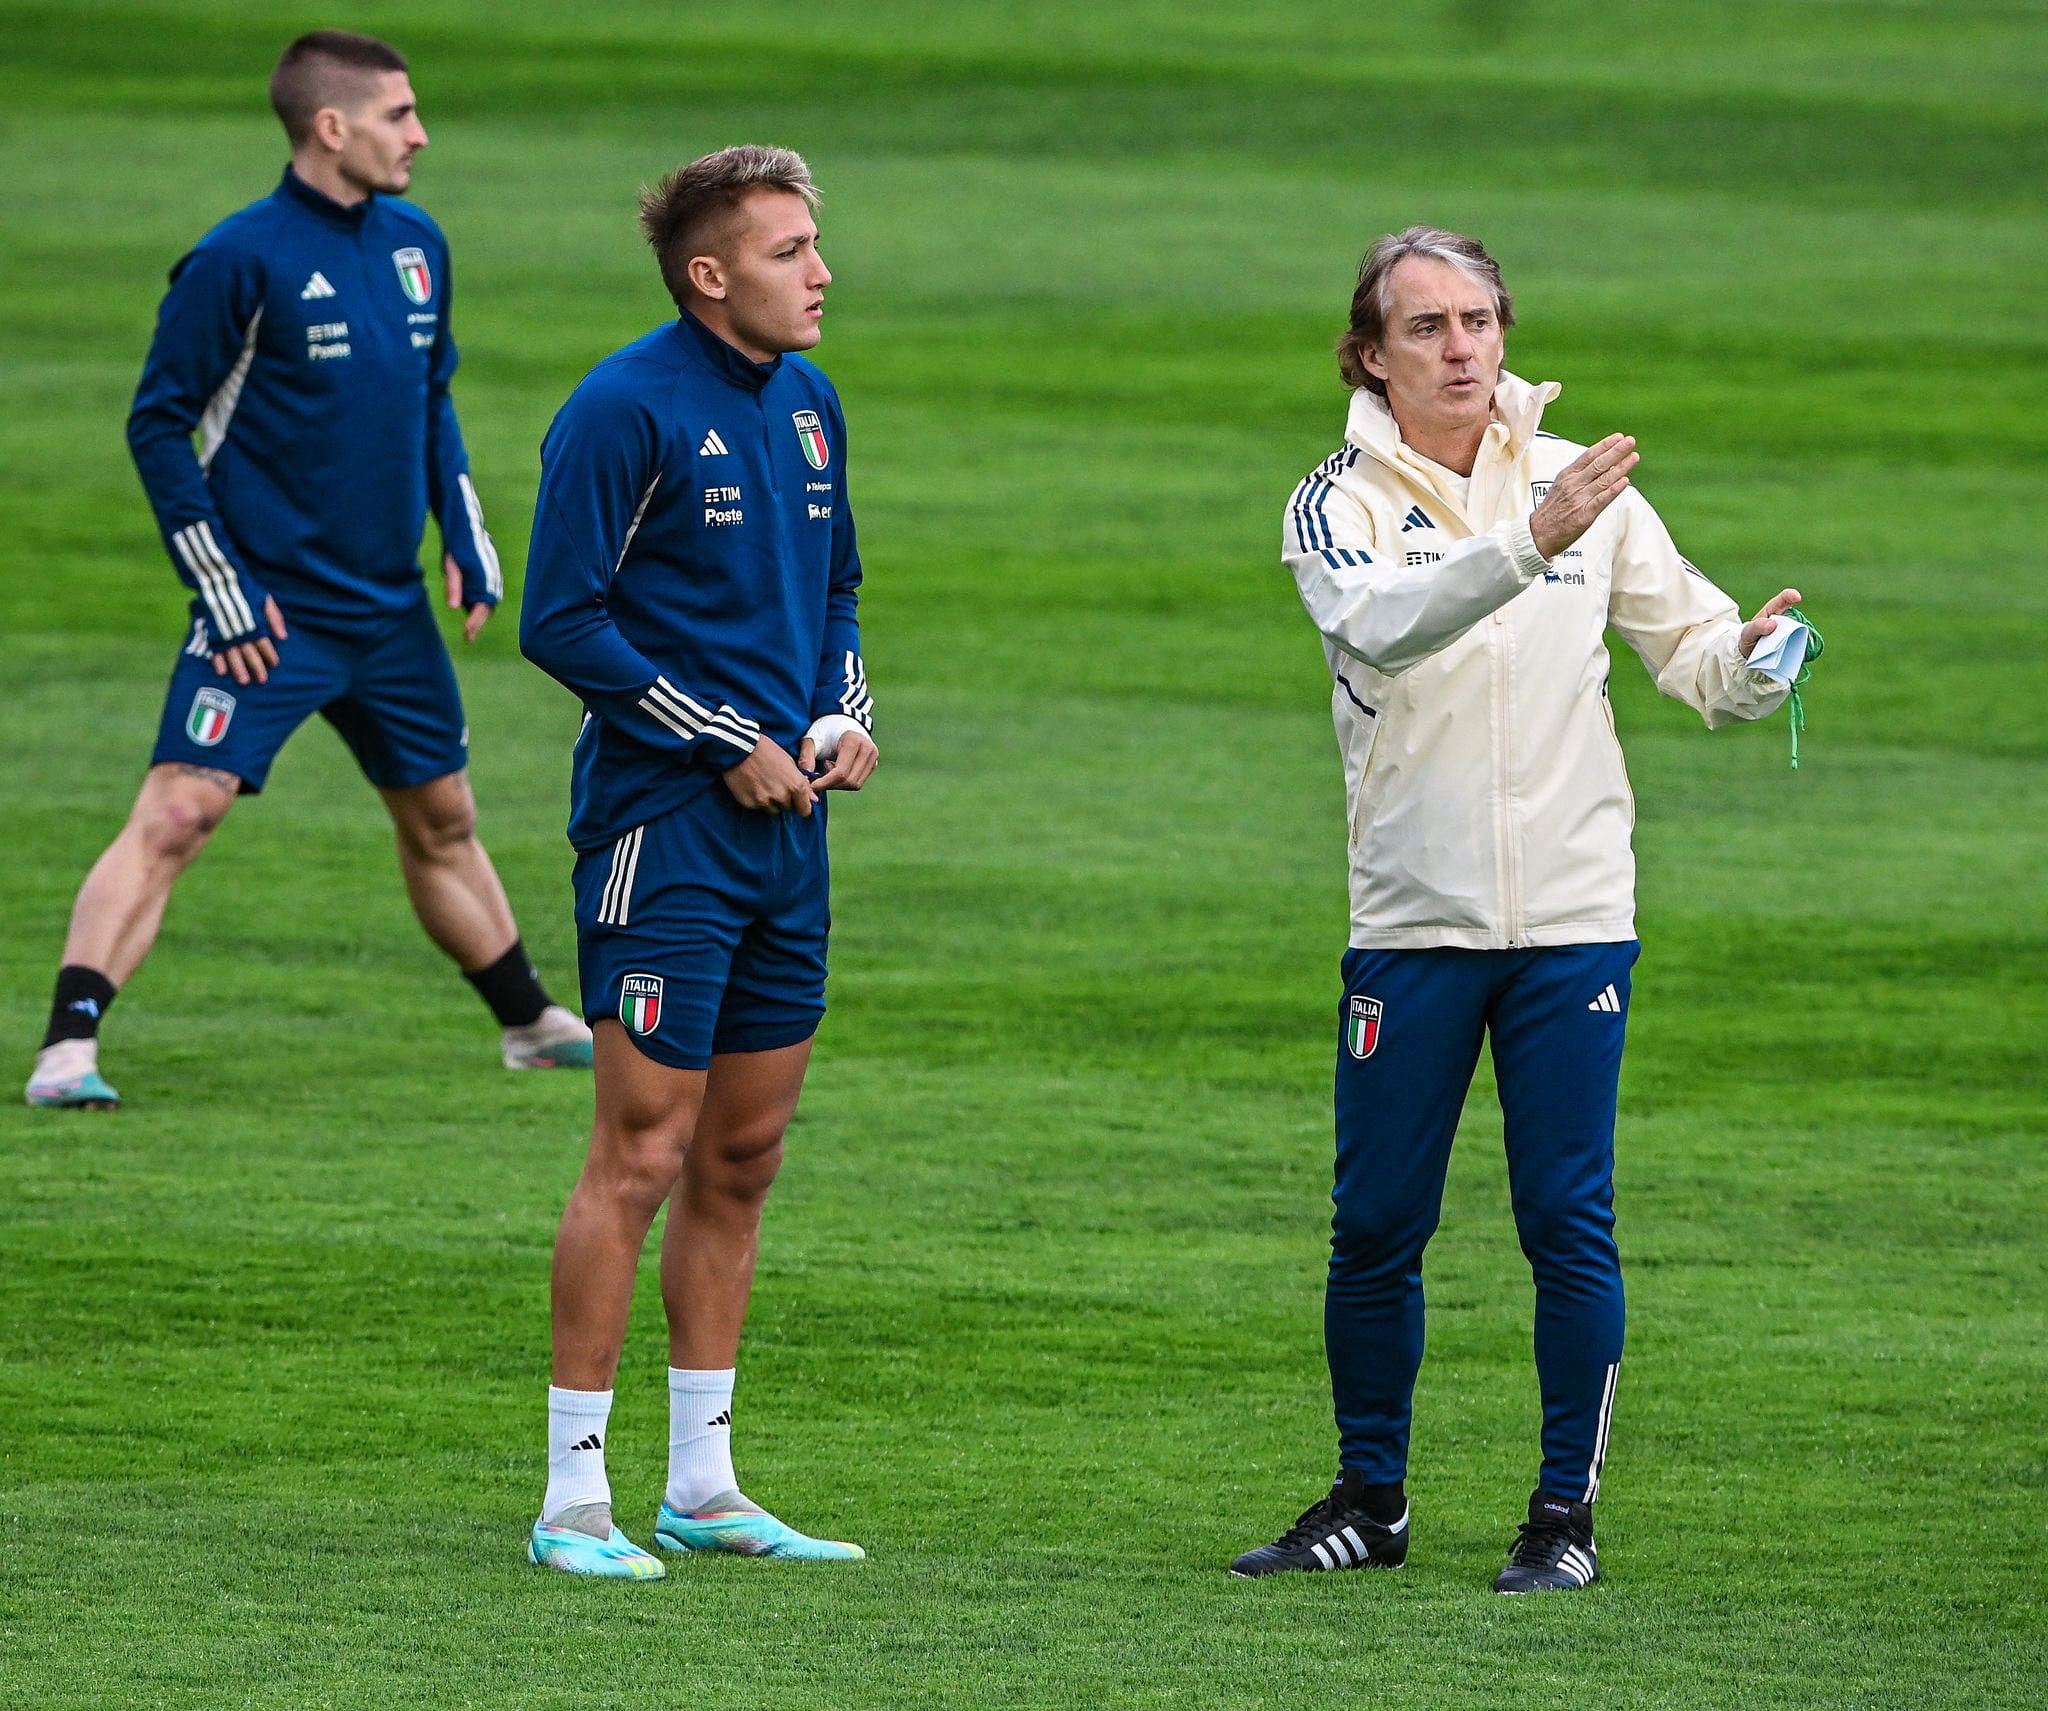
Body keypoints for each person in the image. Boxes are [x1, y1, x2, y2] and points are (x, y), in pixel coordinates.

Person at [1231, 227, 1803, 1593]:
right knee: (1377, 1222)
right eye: (1424, 326)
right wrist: (1524, 542)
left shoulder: (1577, 483)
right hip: (1413, 918)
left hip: (1572, 919)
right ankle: (1372, 1497)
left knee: (1568, 1220)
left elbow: (1695, 653)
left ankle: (1564, 1518)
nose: (1462, 348)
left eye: (1478, 319)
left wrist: (1765, 659)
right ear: (1371, 354)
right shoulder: (1337, 502)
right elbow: (1379, 626)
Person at [23, 30, 590, 1111]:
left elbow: (430, 401)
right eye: (398, 116)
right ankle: (67, 1049)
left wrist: (462, 535)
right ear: (332, 127)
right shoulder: (238, 260)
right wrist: (223, 592)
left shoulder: (420, 244)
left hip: (387, 611)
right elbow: (158, 430)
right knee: (180, 812)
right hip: (265, 614)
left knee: (442, 819)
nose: (420, 134)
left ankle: (526, 1022)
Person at [518, 146, 879, 1579]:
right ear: (709, 273)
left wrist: (842, 711)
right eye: (793, 249)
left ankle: (707, 1486)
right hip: (662, 833)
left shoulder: (808, 403)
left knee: (744, 1152)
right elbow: (564, 618)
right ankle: (572, 1501)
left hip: (792, 833)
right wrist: (722, 734)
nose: (822, 271)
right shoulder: (622, 408)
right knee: (642, 1152)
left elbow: (836, 585)